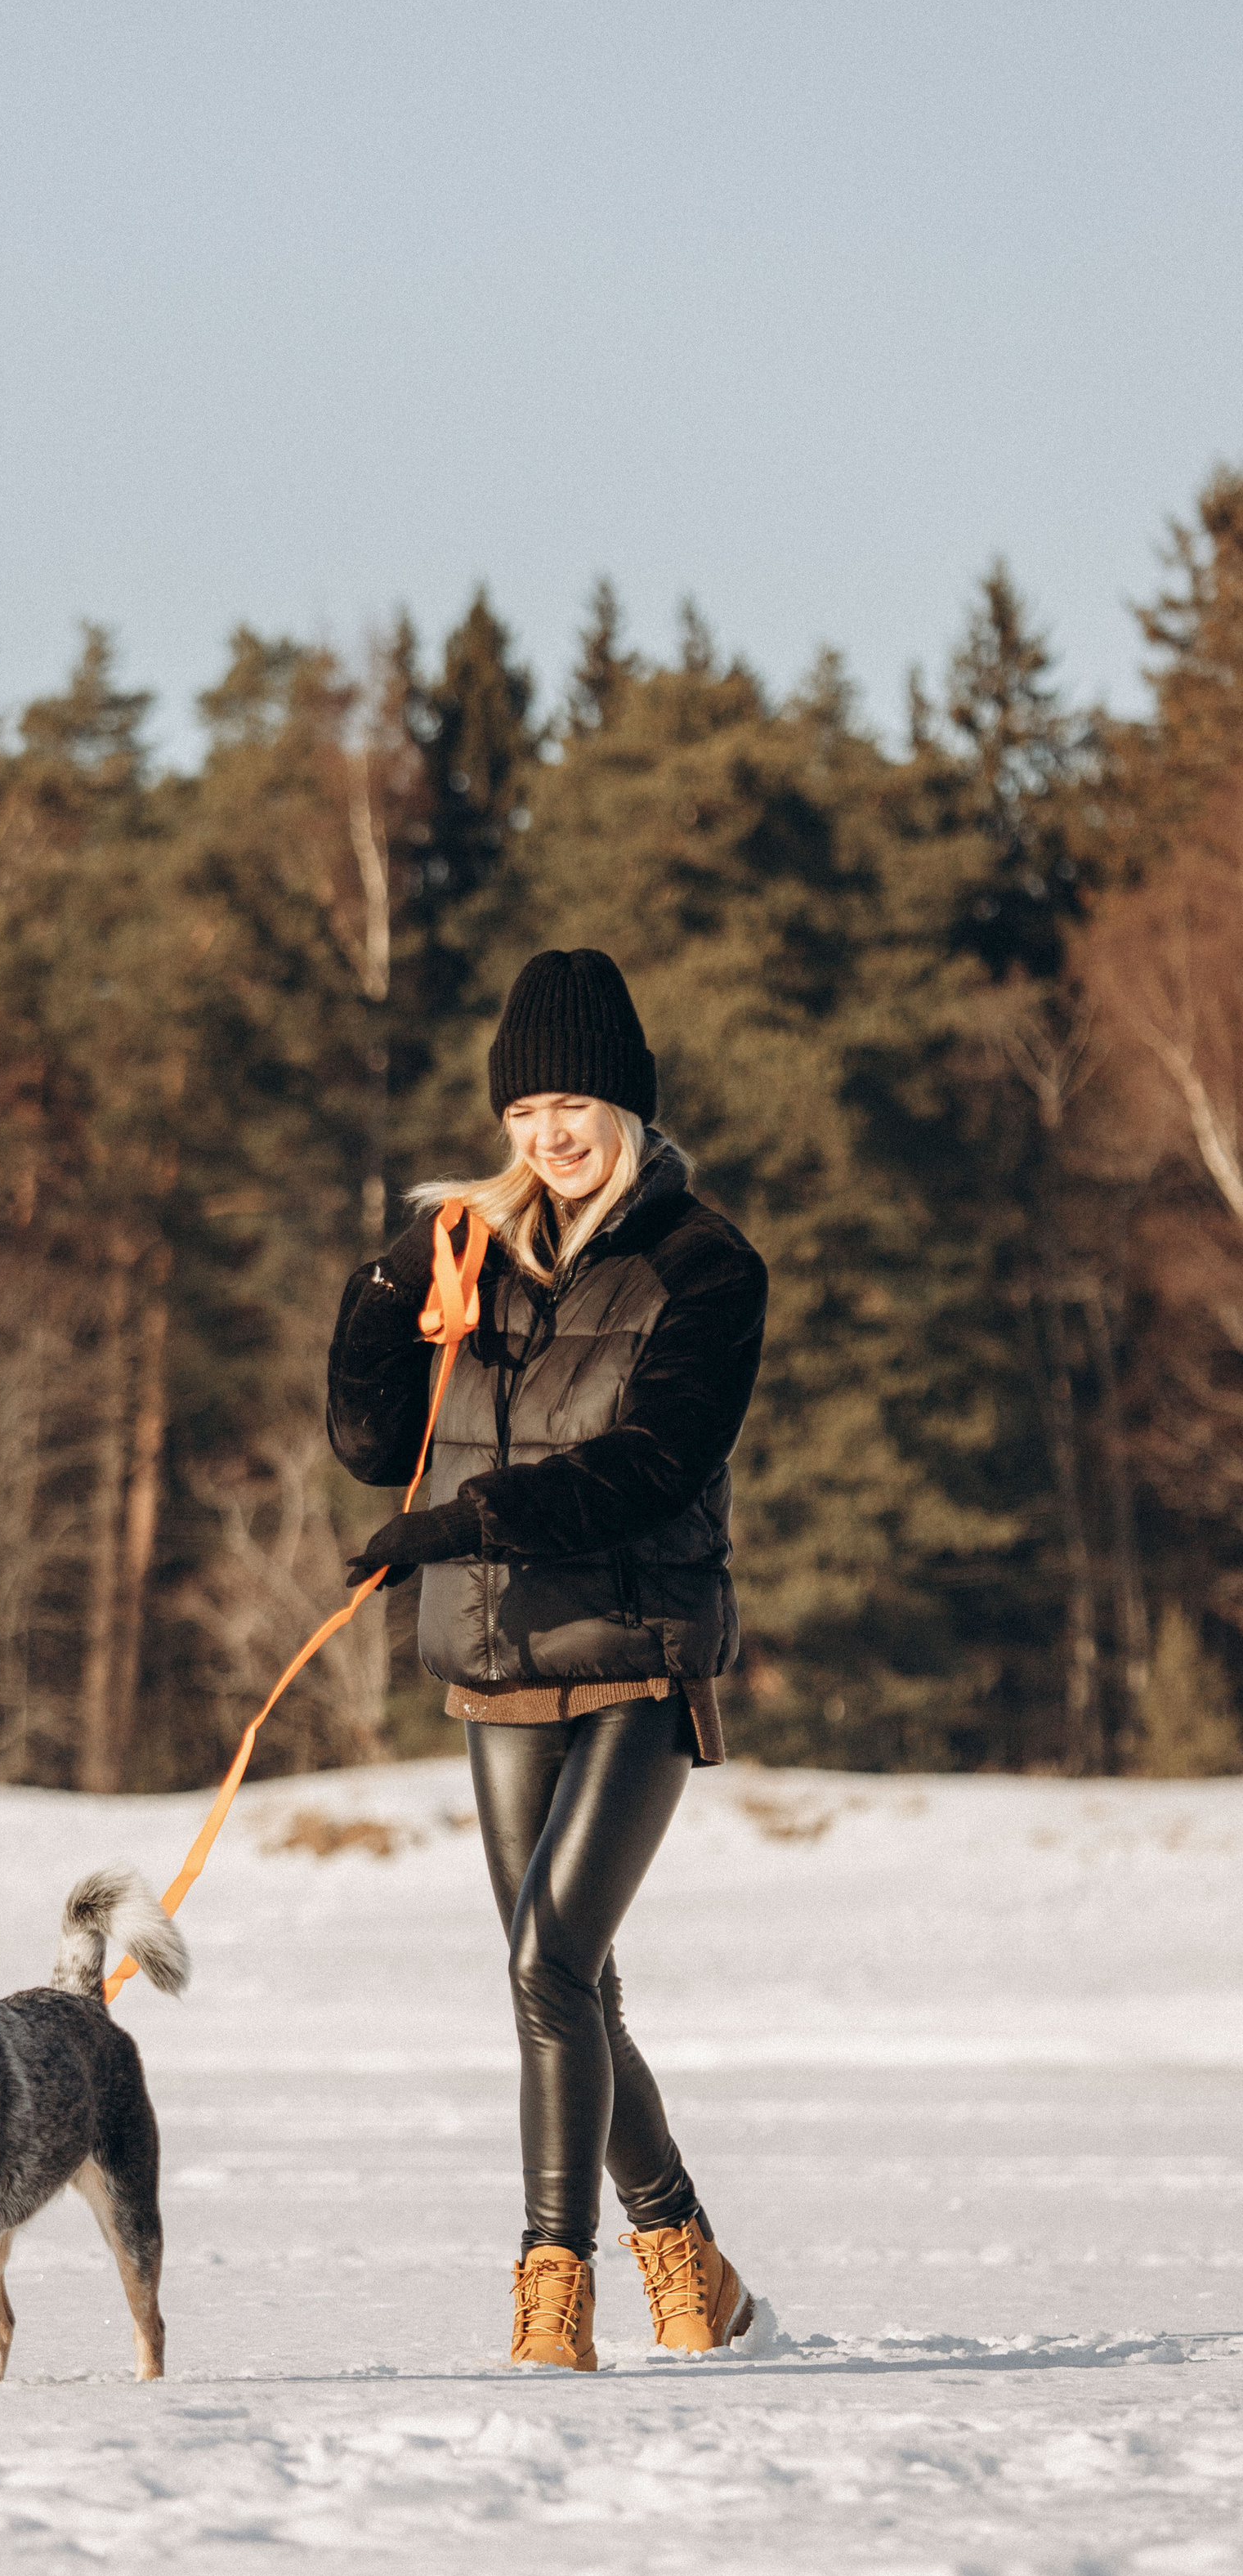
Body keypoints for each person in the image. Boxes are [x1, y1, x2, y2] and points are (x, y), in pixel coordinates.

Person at [325, 948, 768, 2371]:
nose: (547, 1137)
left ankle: (553, 2281)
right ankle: (690, 2258)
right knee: (569, 1982)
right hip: (501, 1659)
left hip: (642, 1650)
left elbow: (653, 1464)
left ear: (627, 1107)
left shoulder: (707, 1263)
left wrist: (467, 1521)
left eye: (572, 1104)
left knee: (546, 1956)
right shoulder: (487, 1256)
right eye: (524, 1114)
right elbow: (373, 1446)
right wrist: (388, 1284)